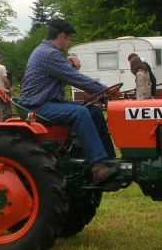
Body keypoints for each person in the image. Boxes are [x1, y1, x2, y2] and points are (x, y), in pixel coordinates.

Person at [20, 18, 119, 184]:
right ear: (62, 36)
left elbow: (61, 73)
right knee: (80, 113)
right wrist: (106, 90)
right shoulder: (48, 54)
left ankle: (109, 159)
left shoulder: (47, 52)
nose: (70, 43)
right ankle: (97, 167)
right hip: (37, 107)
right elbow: (74, 78)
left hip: (48, 102)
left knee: (94, 110)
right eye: (70, 39)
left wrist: (71, 66)